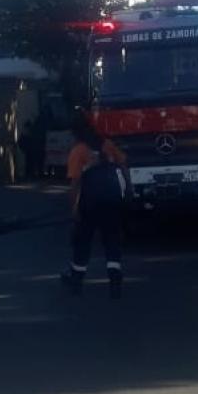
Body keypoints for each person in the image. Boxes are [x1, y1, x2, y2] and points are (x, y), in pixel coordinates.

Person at [60, 112, 131, 299]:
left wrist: (74, 209)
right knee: (112, 240)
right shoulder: (107, 145)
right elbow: (123, 166)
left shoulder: (79, 151)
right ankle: (115, 278)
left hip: (89, 204)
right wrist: (128, 190)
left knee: (83, 242)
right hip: (112, 201)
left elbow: (75, 184)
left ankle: (76, 281)